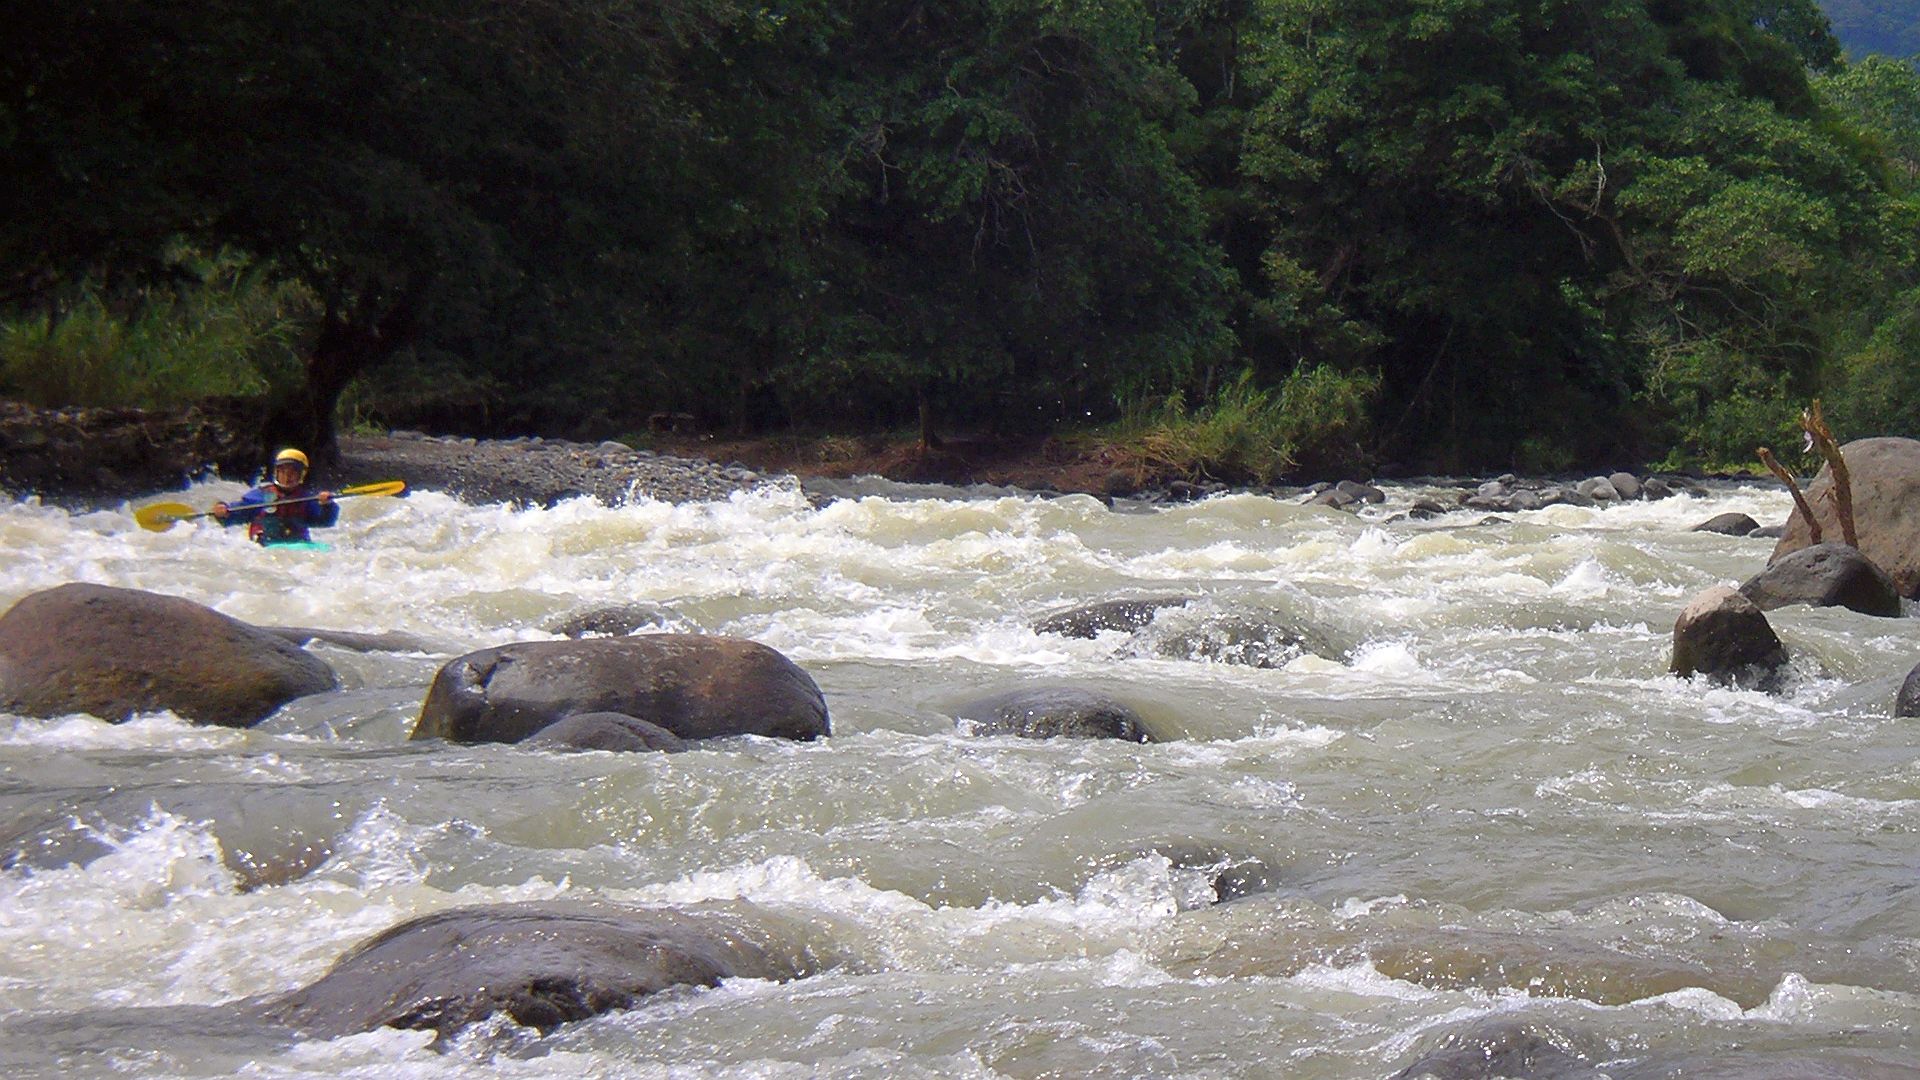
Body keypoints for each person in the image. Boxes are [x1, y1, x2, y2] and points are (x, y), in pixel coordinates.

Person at [213, 448, 339, 544]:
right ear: (276, 472)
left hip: (298, 546)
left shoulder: (307, 498)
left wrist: (327, 506)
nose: (287, 477)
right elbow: (235, 515)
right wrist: (223, 511)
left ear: (301, 475)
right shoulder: (260, 496)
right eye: (283, 472)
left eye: (292, 473)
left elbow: (326, 521)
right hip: (265, 546)